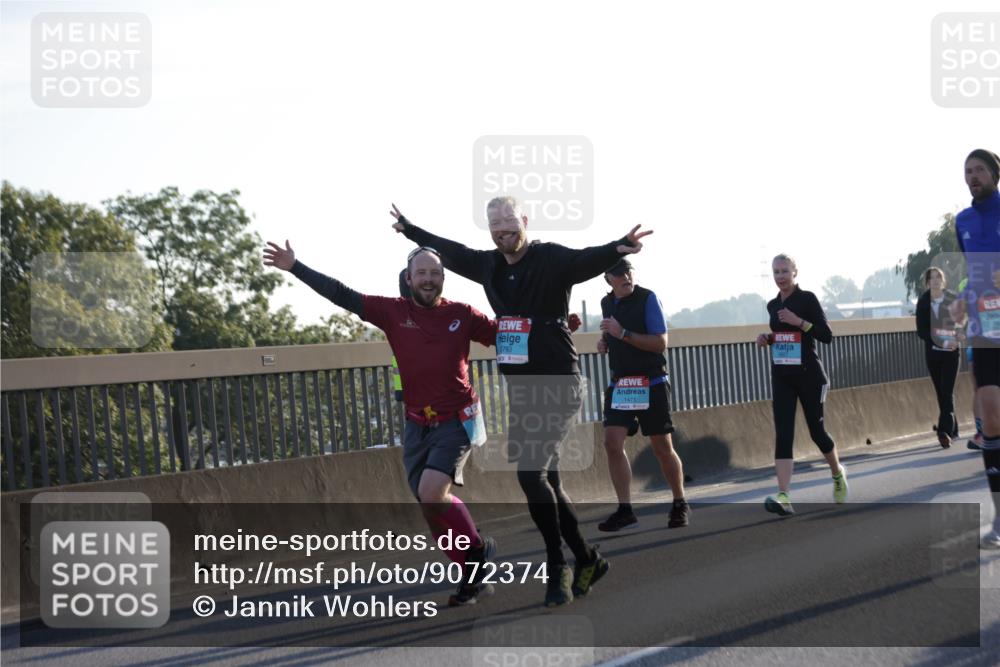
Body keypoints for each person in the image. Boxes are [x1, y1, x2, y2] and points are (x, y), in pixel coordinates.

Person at [391, 196, 652, 606]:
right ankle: (587, 559)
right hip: (523, 390)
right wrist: (409, 229)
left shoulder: (549, 258)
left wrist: (619, 245)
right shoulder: (489, 266)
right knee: (547, 480)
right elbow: (453, 252)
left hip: (560, 384)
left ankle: (557, 568)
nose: (502, 231)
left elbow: (586, 260)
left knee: (531, 474)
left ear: (524, 222)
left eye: (509, 223)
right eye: (495, 225)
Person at [263, 241, 500, 602]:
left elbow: (505, 335)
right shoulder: (391, 312)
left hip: (458, 419)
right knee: (429, 505)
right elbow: (341, 294)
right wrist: (296, 267)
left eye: (435, 273)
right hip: (417, 424)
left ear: (443, 279)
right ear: (409, 278)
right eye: (421, 273)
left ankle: (477, 552)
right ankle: (470, 571)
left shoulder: (463, 314)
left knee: (432, 493)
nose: (428, 279)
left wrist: (555, 327)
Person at [594, 258, 689, 531]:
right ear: (608, 280)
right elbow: (616, 337)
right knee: (612, 443)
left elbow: (660, 343)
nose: (625, 277)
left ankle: (679, 502)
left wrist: (621, 333)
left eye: (628, 271)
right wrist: (606, 342)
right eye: (618, 274)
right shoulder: (606, 303)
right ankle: (625, 510)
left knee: (661, 447)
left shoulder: (648, 299)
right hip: (622, 384)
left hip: (652, 382)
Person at [755, 254, 848, 516]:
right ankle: (784, 495)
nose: (780, 276)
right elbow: (784, 336)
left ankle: (837, 474)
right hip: (782, 376)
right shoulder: (772, 305)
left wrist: (799, 322)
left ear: (795, 272)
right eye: (776, 272)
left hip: (809, 375)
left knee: (817, 433)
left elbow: (826, 335)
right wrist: (768, 338)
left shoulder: (807, 299)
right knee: (783, 435)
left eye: (785, 271)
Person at [948, 148, 1000, 550]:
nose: (972, 176)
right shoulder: (962, 221)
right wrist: (964, 300)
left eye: (979, 169)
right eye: (968, 171)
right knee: (992, 421)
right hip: (986, 330)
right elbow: (973, 274)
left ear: (995, 174)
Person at [915, 267, 961, 448]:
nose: (935, 281)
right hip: (933, 353)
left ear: (943, 281)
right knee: (941, 393)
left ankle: (943, 432)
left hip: (951, 353)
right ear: (927, 283)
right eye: (931, 279)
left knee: (947, 391)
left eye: (938, 278)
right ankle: (954, 428)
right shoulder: (923, 301)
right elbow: (921, 330)